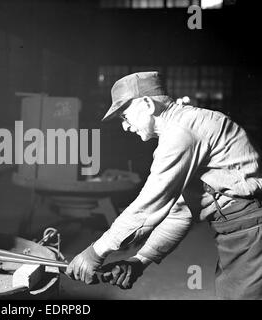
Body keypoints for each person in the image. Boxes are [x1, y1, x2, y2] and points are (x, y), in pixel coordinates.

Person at [65, 71, 262, 299]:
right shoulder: (183, 128)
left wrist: (94, 252)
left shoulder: (180, 134)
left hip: (252, 230)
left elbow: (146, 208)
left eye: (125, 116)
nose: (125, 127)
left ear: (148, 104)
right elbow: (181, 211)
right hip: (239, 232)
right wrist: (140, 261)